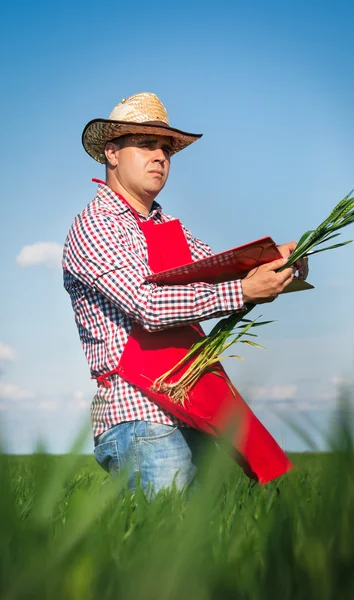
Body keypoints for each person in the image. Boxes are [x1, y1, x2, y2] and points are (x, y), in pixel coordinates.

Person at [62, 92, 308, 496]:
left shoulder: (167, 224)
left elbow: (221, 268)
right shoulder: (96, 225)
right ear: (111, 153)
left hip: (187, 405)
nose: (160, 156)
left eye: (166, 149)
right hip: (139, 415)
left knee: (202, 547)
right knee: (164, 546)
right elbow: (148, 307)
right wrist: (244, 289)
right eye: (145, 145)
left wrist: (283, 260)